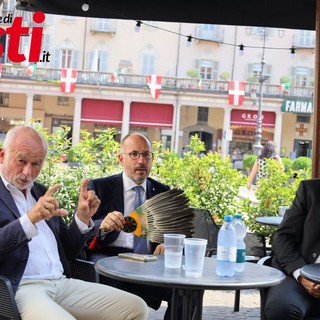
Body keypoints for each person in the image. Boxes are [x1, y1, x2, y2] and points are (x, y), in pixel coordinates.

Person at [0, 126, 149, 320]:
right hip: (21, 288)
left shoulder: (41, 192)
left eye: (37, 163)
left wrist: (82, 218)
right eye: (21, 161)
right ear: (2, 155)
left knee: (136, 308)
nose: (28, 171)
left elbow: (68, 250)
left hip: (62, 284)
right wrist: (29, 220)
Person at [85, 132, 183, 320]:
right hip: (110, 257)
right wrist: (102, 225)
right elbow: (83, 229)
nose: (141, 161)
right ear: (121, 158)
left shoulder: (161, 192)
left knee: (187, 290)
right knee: (102, 268)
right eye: (134, 154)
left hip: (151, 262)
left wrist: (168, 244)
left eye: (147, 155)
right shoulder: (99, 187)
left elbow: (173, 231)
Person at [263, 178, 320, 319]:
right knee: (282, 309)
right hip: (300, 272)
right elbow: (283, 238)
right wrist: (301, 275)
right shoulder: (311, 190)